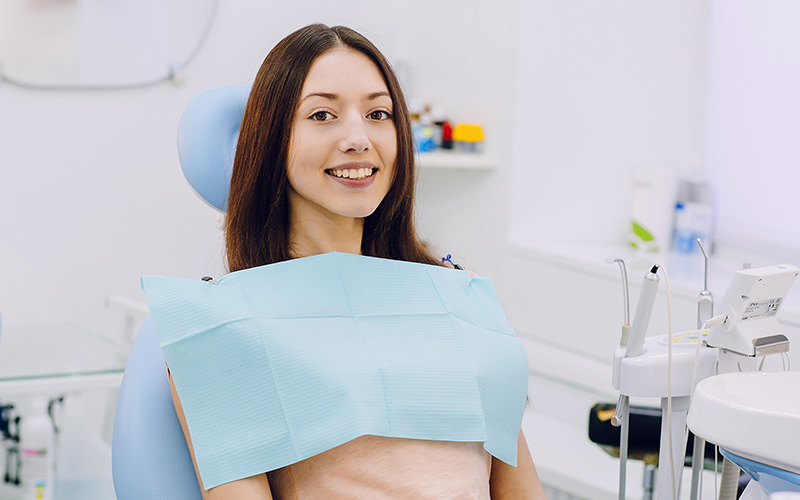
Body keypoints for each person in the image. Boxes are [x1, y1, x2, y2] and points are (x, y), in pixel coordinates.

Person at [168, 23, 548, 499]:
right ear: (271, 140)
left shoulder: (458, 299)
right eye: (323, 114)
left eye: (378, 113)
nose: (358, 138)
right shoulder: (226, 328)